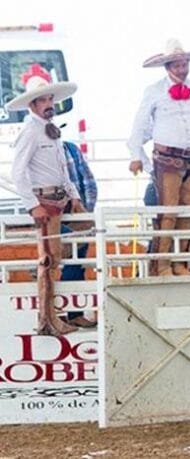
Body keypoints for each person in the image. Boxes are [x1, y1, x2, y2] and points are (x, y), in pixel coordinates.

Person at [127, 39, 190, 277]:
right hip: (166, 158)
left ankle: (179, 262)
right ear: (168, 66)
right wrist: (136, 154)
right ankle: (161, 264)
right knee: (168, 212)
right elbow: (139, 124)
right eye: (178, 64)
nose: (182, 69)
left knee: (187, 212)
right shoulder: (154, 91)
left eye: (184, 64)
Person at [8, 64, 83, 336]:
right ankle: (47, 319)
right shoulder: (30, 132)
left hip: (57, 199)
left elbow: (62, 168)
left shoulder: (49, 130)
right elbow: (18, 172)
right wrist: (32, 204)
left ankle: (51, 317)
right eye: (43, 100)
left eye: (50, 99)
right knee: (49, 260)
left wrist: (73, 195)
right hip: (46, 201)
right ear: (33, 105)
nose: (49, 104)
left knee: (56, 256)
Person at [60, 141, 98, 328]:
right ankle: (67, 313)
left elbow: (88, 180)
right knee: (70, 259)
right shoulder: (67, 149)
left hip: (73, 211)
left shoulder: (69, 148)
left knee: (75, 261)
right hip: (58, 211)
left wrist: (86, 211)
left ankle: (70, 313)